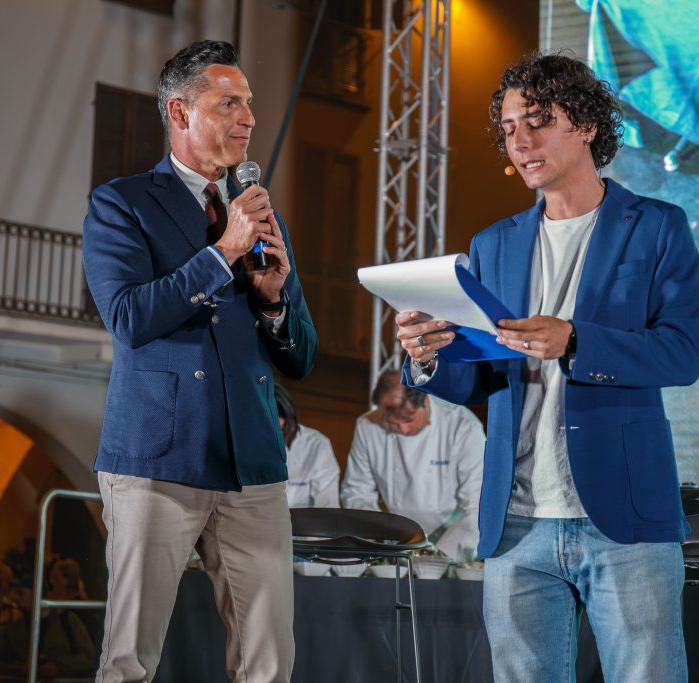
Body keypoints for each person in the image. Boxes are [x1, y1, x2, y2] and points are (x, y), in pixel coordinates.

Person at [394, 52, 699, 681]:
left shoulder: (656, 227)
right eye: (510, 128)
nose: (521, 141)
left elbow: (682, 352)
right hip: (517, 524)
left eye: (537, 121)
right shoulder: (493, 244)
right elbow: (481, 375)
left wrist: (576, 341)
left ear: (586, 125)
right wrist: (428, 357)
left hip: (624, 518)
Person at [82, 40, 317, 682]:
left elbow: (303, 357)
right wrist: (222, 254)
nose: (249, 118)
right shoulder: (122, 203)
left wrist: (274, 303)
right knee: (129, 660)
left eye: (250, 104)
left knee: (270, 662)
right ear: (180, 113)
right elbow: (129, 318)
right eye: (229, 103)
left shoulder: (259, 214)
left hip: (253, 464)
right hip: (157, 459)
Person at [341, 371, 485, 561]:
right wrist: (372, 532)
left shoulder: (462, 426)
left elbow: (477, 505)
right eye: (393, 423)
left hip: (454, 538)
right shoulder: (368, 427)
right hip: (399, 541)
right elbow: (357, 491)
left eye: (408, 420)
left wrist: (438, 558)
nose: (402, 429)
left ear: (426, 401)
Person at [0, 573, 96, 678]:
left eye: (21, 594)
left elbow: (87, 658)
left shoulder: (67, 621)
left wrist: (58, 667)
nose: (16, 598)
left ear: (36, 595)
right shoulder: (13, 629)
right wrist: (19, 668)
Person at [275, 383, 339, 508]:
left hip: (305, 520)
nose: (278, 438)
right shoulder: (245, 446)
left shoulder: (317, 446)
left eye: (282, 430)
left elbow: (327, 506)